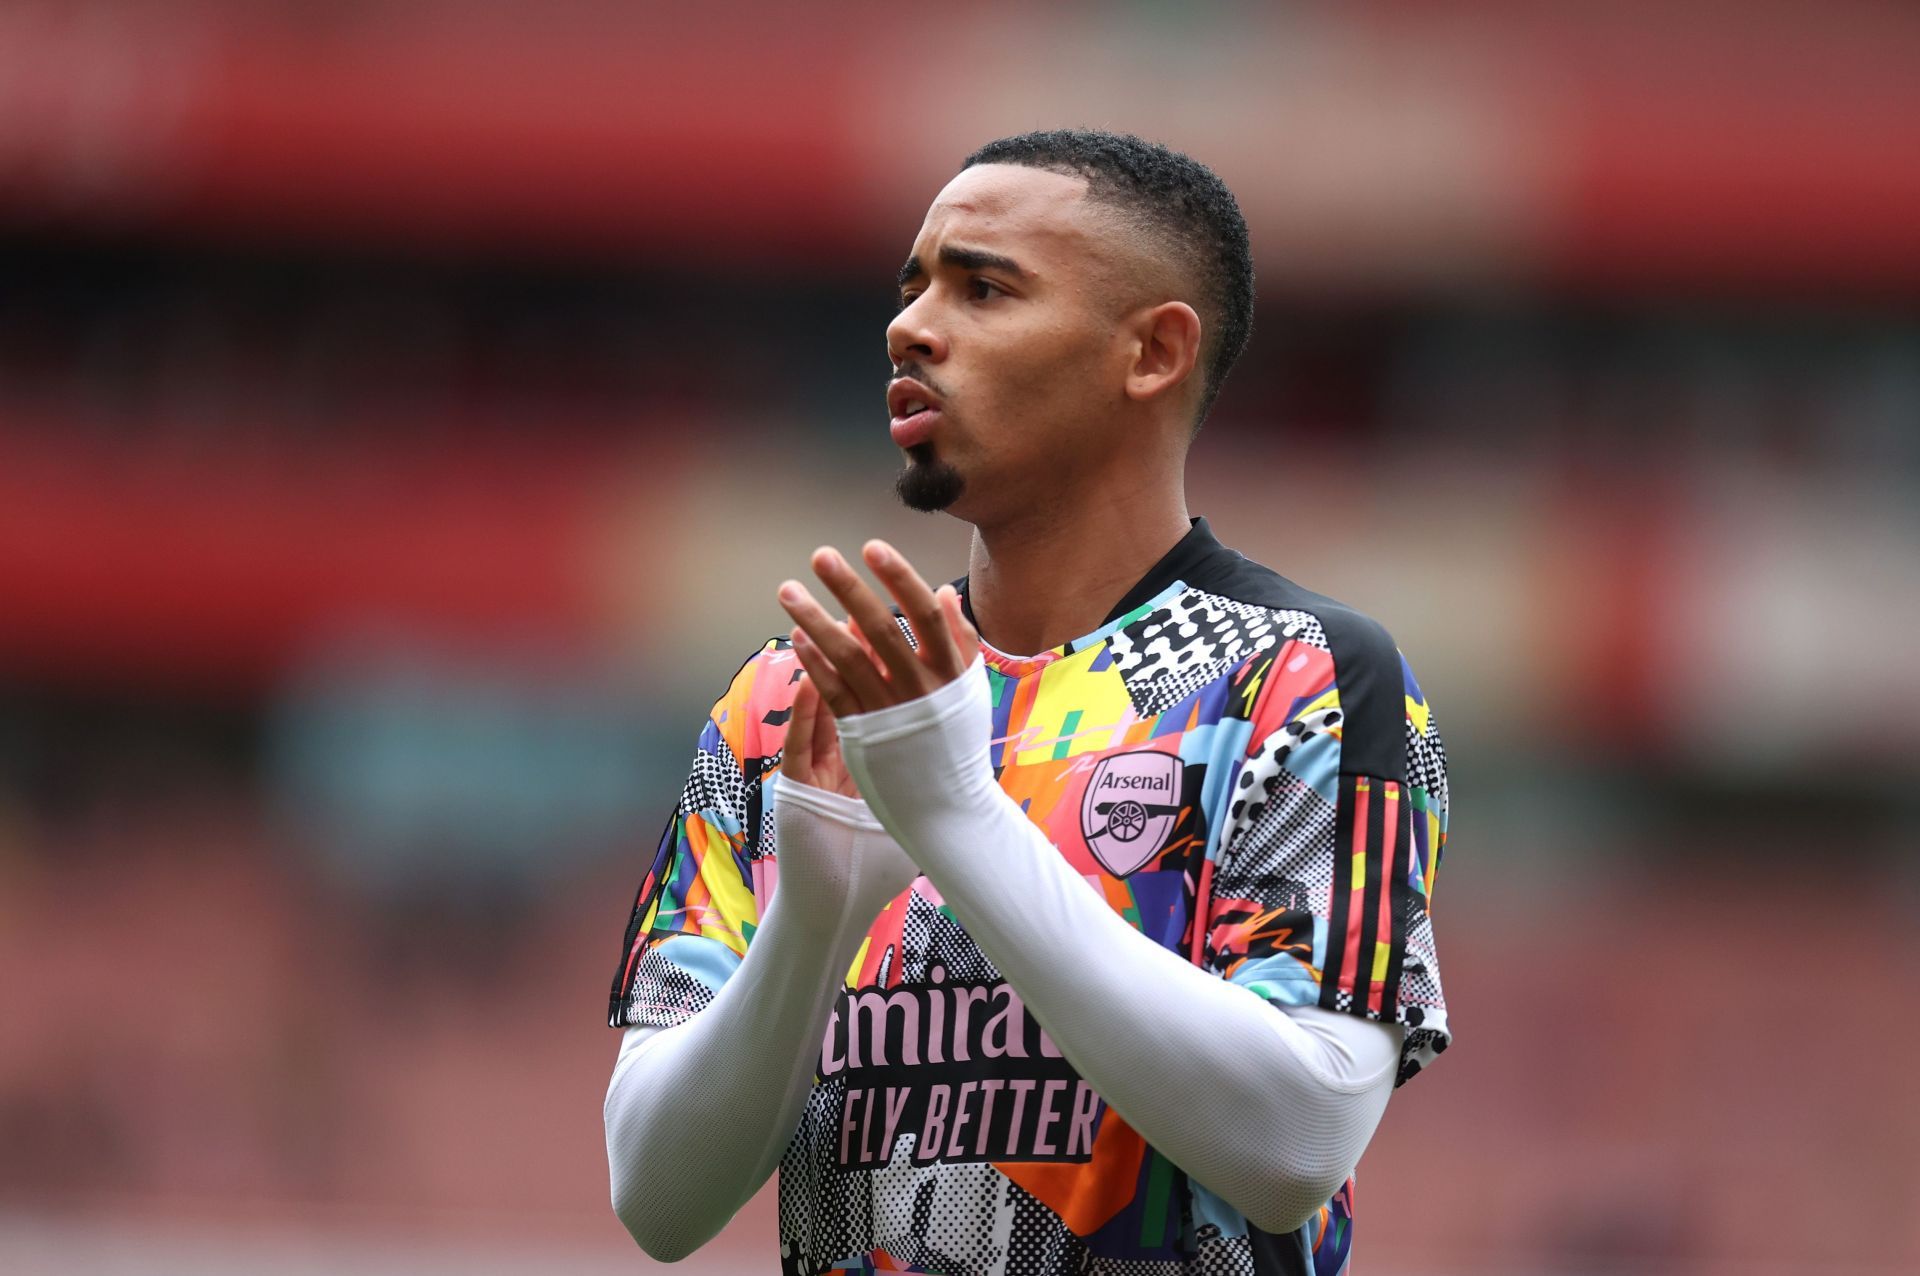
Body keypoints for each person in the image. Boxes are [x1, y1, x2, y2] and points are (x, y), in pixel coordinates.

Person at [603, 129, 1451, 1275]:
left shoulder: (1296, 675)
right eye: (912, 287)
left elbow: (1296, 1139)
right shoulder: (793, 703)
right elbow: (657, 1200)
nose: (909, 325)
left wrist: (955, 815)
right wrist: (814, 913)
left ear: (1151, 351)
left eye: (983, 287)